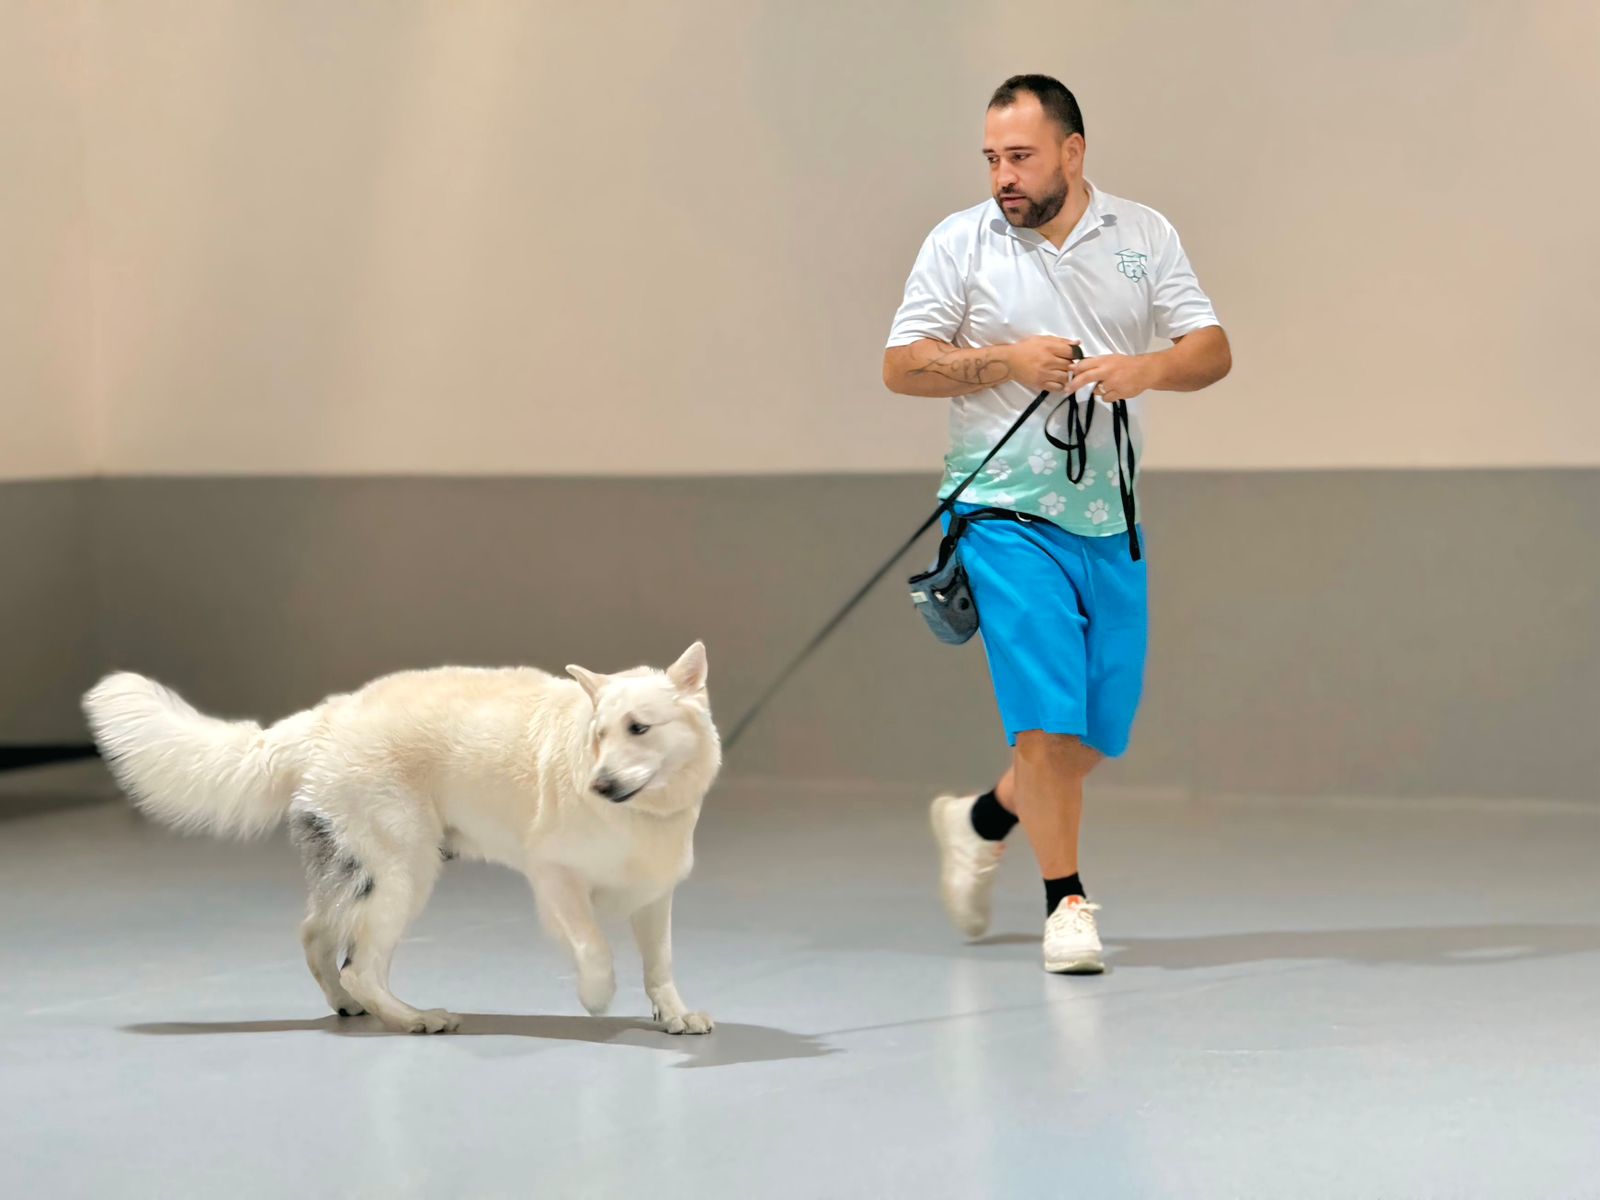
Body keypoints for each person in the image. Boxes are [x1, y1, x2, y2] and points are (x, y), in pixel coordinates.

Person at [882, 74, 1232, 973]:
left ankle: (980, 819)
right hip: (999, 507)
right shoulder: (959, 242)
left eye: (1022, 156)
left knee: (1090, 735)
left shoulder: (1144, 233)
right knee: (1043, 723)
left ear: (1073, 153)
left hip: (1110, 512)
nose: (1004, 174)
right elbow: (901, 366)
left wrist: (1147, 370)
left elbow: (1210, 349)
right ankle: (1065, 901)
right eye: (994, 158)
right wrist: (1004, 358)